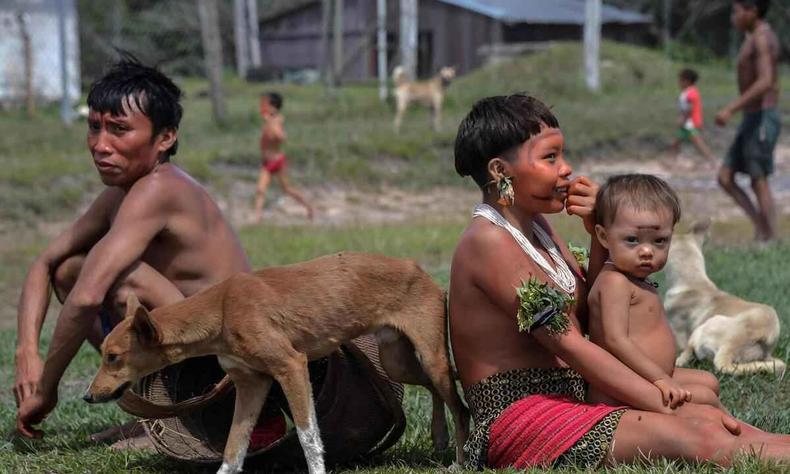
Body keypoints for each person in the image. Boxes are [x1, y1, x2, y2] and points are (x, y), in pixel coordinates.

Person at [449, 93, 790, 470]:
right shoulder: (489, 241)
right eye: (550, 157)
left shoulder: (538, 229)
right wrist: (659, 400)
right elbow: (574, 346)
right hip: (522, 417)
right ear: (500, 171)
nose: (566, 169)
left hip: (569, 390)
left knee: (703, 400)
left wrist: (599, 233)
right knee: (696, 429)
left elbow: (592, 309)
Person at [14, 57, 251, 439]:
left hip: (228, 365)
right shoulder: (120, 195)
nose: (100, 145)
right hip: (190, 347)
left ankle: (181, 422)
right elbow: (44, 264)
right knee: (68, 271)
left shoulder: (159, 188)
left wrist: (45, 392)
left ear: (165, 138)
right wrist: (26, 351)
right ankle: (156, 411)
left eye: (119, 130)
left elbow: (89, 297)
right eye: (94, 128)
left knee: (119, 281)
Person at [586, 174, 723, 411]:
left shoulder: (633, 278)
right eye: (632, 240)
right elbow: (615, 340)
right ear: (603, 237)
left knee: (709, 382)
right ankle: (746, 438)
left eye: (660, 241)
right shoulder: (614, 282)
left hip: (649, 375)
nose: (647, 250)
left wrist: (661, 376)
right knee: (705, 397)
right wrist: (660, 379)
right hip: (622, 387)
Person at [715, 0, 781, 242]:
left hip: (762, 117)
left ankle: (771, 239)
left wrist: (730, 109)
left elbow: (765, 82)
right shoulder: (751, 36)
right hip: (751, 118)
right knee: (725, 177)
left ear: (752, 11)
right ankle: (762, 228)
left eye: (737, 10)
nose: (733, 16)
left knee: (758, 179)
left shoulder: (762, 38)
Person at [253, 92, 314, 222]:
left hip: (277, 161)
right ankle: (257, 218)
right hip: (266, 162)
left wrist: (270, 123)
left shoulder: (276, 120)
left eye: (266, 104)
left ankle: (308, 207)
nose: (262, 106)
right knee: (260, 189)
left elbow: (281, 136)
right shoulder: (269, 120)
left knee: (287, 189)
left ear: (273, 107)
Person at [668, 69, 717, 169]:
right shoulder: (688, 92)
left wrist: (683, 119)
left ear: (687, 81)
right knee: (676, 141)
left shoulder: (691, 92)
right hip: (687, 123)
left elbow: (689, 108)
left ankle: (712, 161)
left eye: (680, 80)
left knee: (697, 143)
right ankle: (671, 160)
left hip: (689, 123)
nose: (679, 83)